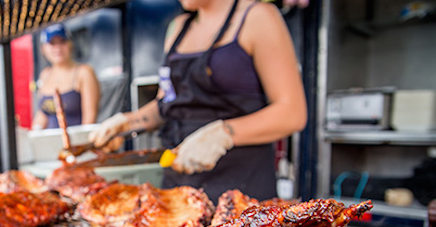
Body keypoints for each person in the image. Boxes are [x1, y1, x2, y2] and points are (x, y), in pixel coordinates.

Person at [89, 0, 307, 202]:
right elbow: (167, 103)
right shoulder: (177, 28)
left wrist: (224, 134)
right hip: (179, 192)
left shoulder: (257, 17)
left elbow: (292, 113)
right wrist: (130, 121)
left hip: (242, 192)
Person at [32, 23, 101, 130]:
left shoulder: (84, 72)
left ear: (70, 44)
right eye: (52, 43)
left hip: (75, 144)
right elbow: (41, 117)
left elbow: (89, 121)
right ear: (43, 48)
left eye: (62, 42)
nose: (58, 48)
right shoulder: (45, 74)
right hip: (49, 143)